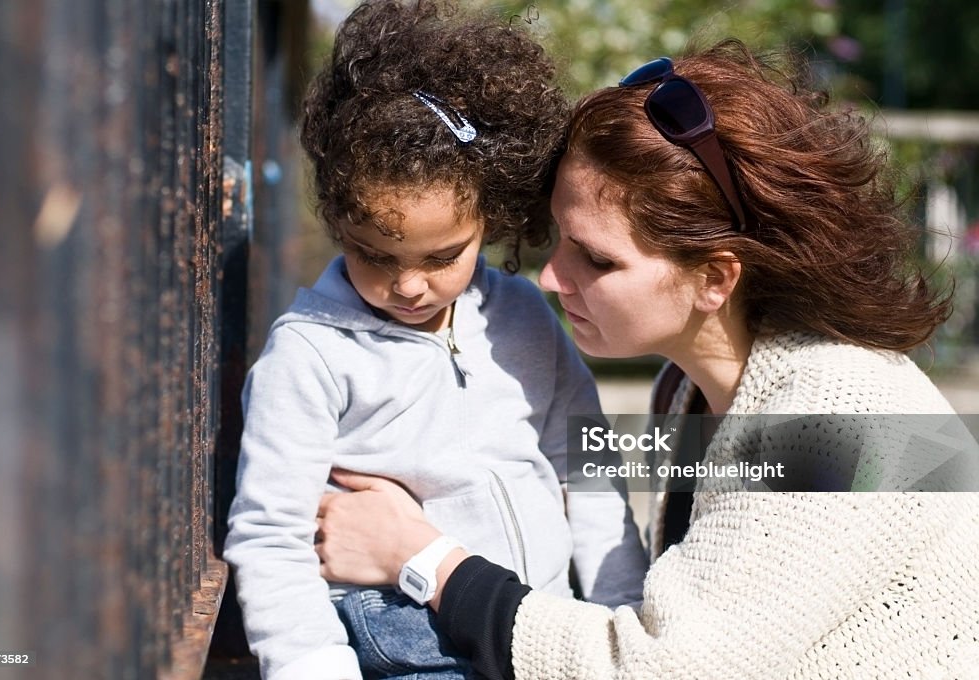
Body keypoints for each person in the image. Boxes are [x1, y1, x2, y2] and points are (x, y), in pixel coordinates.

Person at [313, 40, 979, 678]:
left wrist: (419, 555)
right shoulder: (686, 387)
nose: (550, 278)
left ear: (716, 278)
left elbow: (659, 665)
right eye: (560, 239)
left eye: (598, 260)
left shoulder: (837, 416)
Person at [223, 2, 646, 679]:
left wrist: (620, 609)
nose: (410, 286)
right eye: (375, 255)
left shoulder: (523, 316)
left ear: (492, 215)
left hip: (537, 624)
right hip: (411, 648)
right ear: (336, 219)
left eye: (442, 255)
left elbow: (587, 468)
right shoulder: (310, 353)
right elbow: (271, 534)